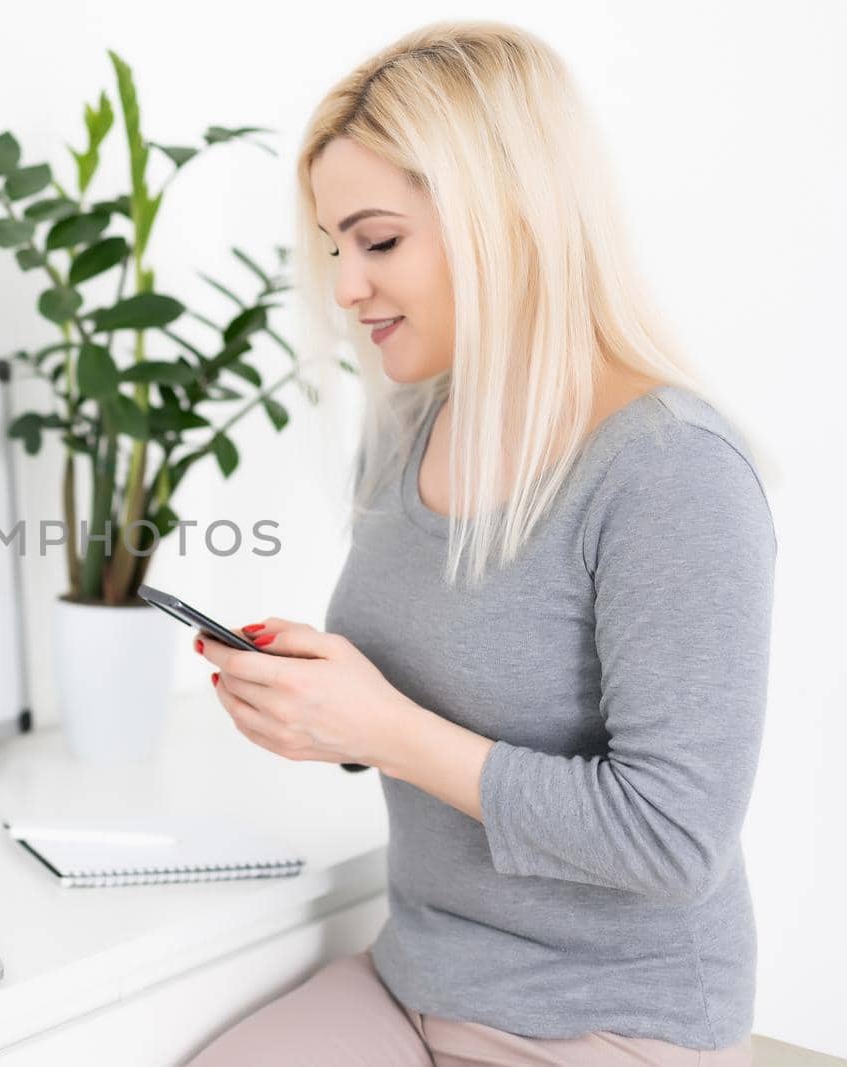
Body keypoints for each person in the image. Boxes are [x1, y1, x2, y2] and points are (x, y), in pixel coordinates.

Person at [186, 19, 774, 1067]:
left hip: (603, 1019)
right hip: (414, 971)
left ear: (507, 217)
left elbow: (671, 839)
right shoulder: (412, 419)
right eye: (334, 249)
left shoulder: (669, 470)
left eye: (378, 241)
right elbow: (455, 703)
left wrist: (384, 723)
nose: (346, 288)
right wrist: (326, 712)